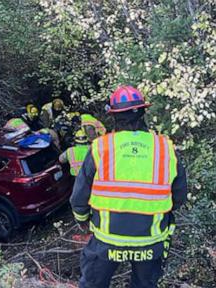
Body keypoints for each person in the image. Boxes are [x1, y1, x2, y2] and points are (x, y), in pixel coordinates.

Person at [70, 85, 187, 288]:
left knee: (93, 284)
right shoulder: (165, 148)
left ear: (114, 116)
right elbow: (179, 197)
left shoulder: (100, 147)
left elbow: (79, 196)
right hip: (150, 240)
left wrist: (82, 219)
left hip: (107, 240)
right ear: (143, 112)